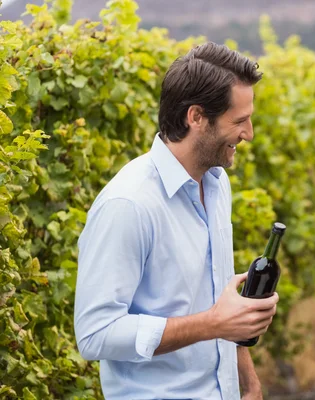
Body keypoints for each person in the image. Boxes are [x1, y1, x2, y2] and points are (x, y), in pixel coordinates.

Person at [74, 42, 279, 400]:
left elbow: (219, 301)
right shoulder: (129, 204)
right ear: (196, 117)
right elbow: (95, 334)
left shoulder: (216, 184)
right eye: (240, 121)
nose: (249, 134)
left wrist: (248, 381)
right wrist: (212, 324)